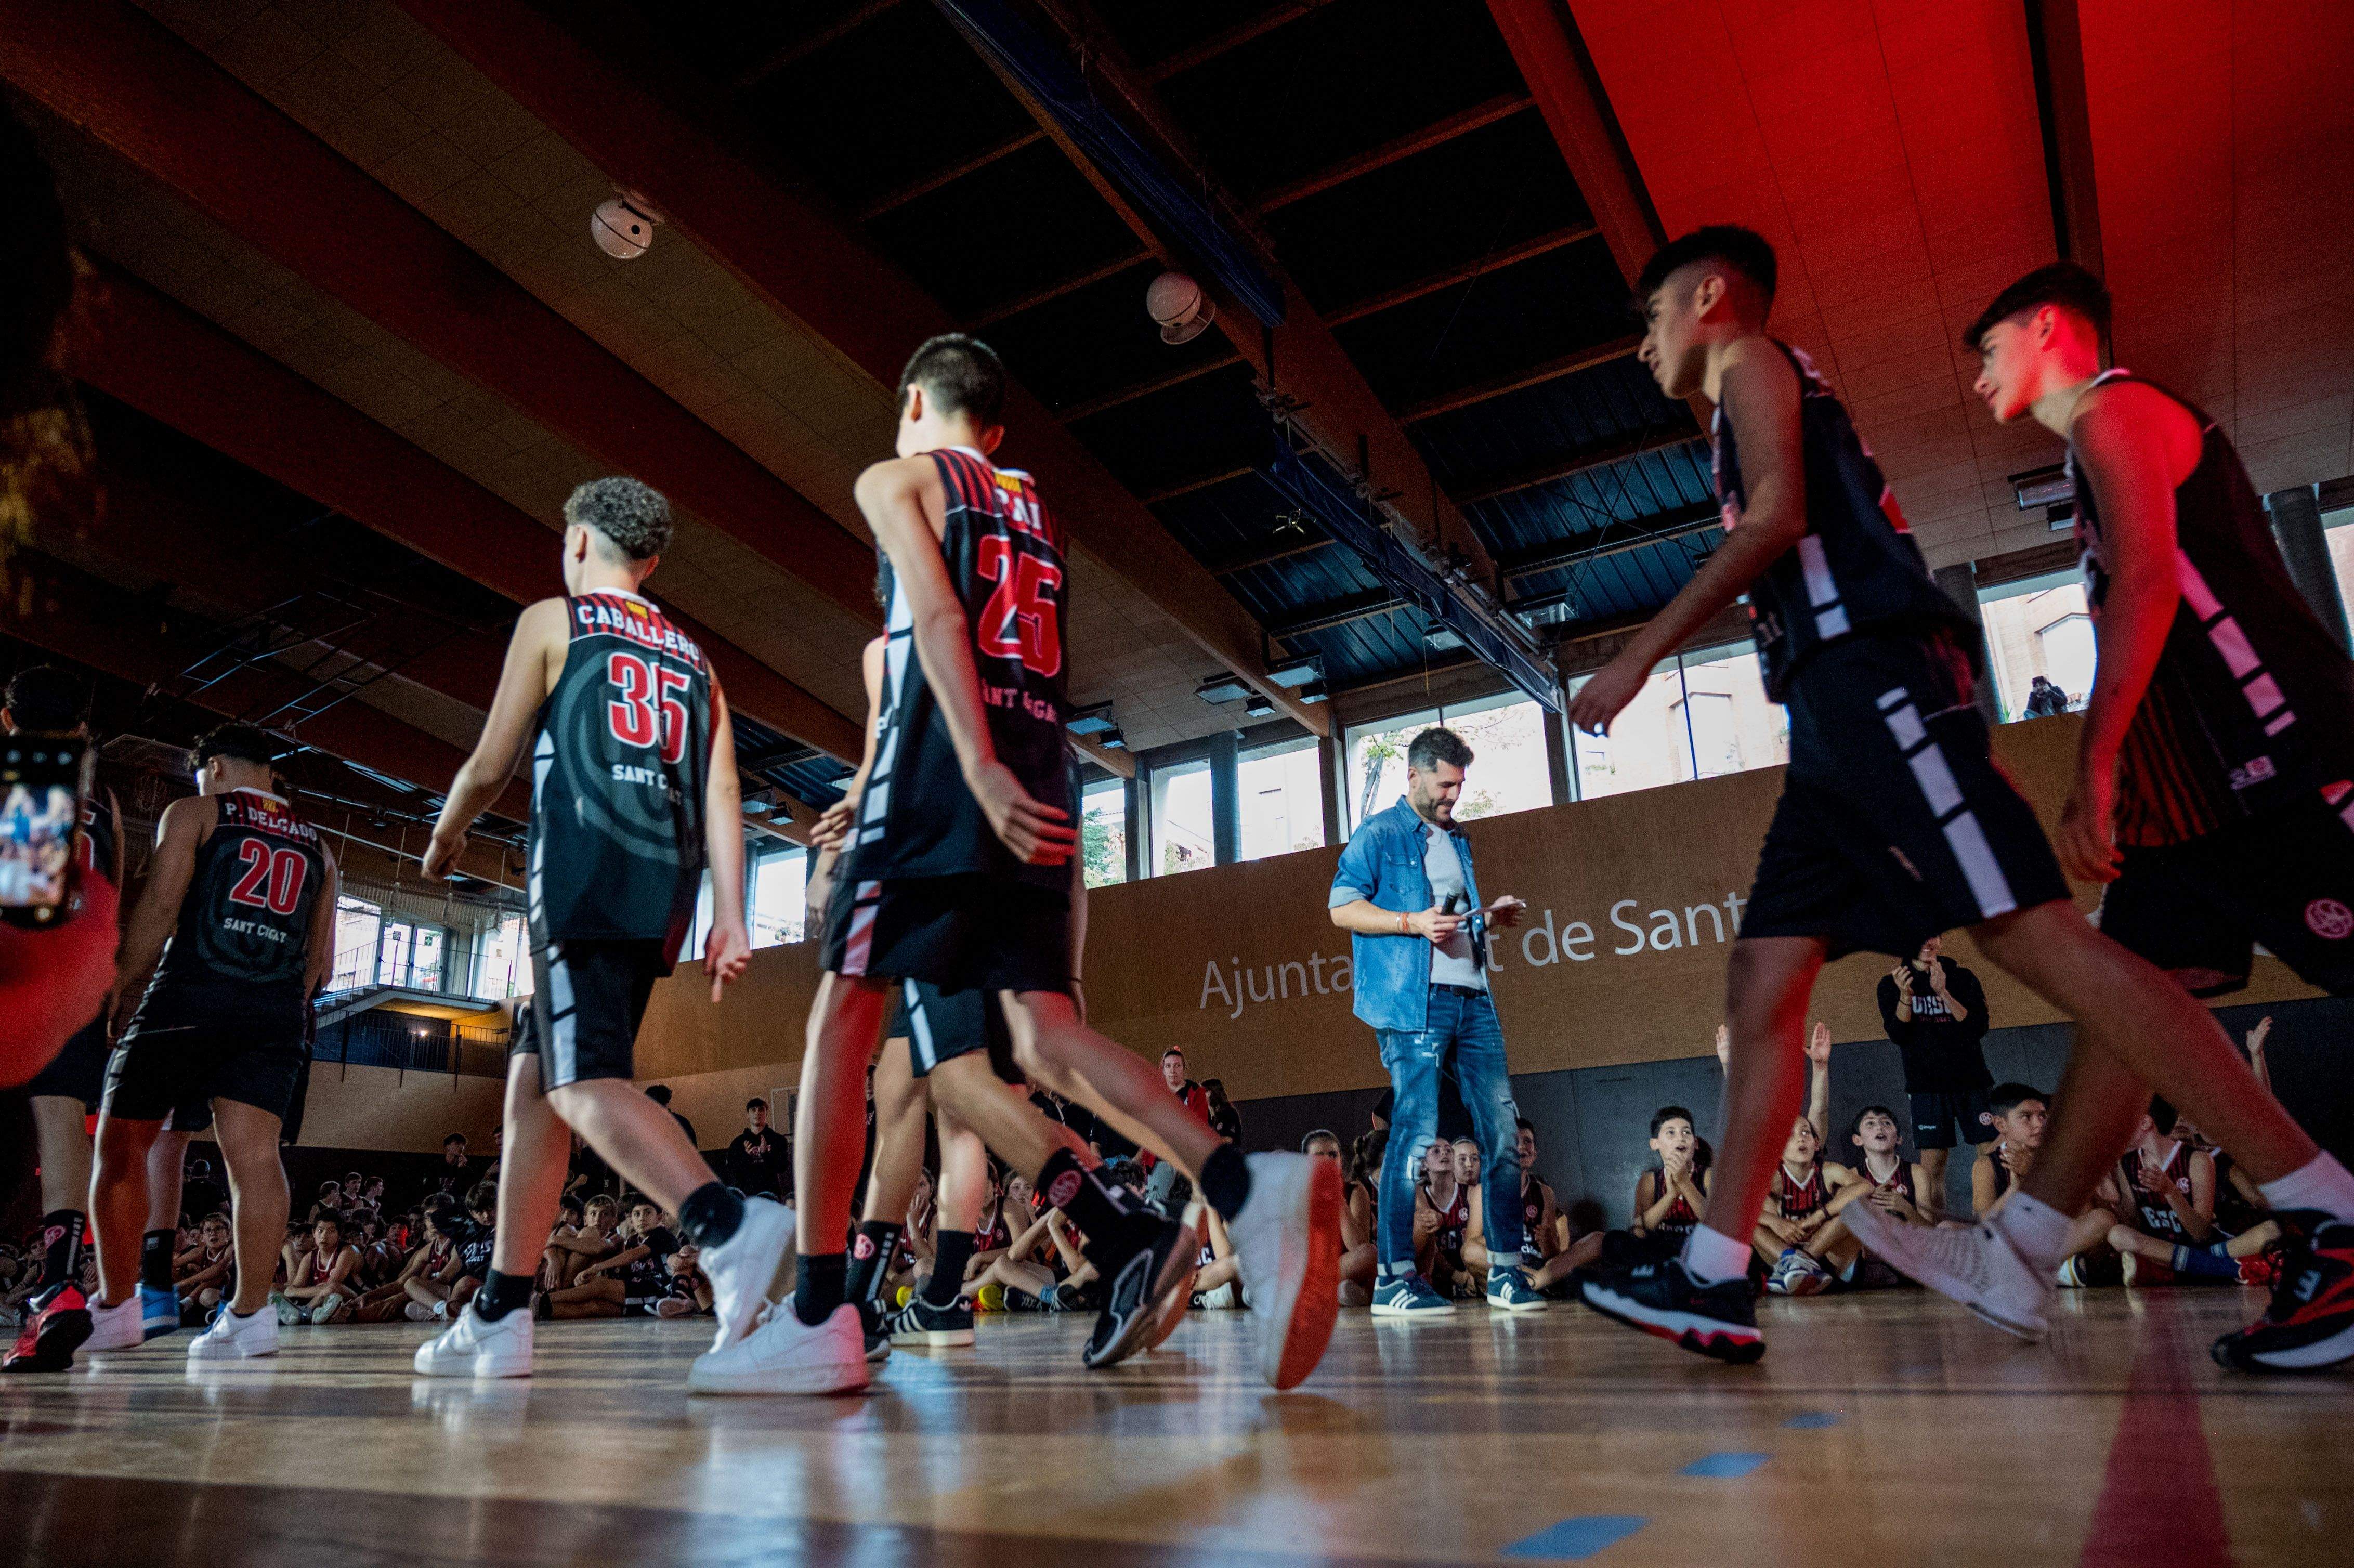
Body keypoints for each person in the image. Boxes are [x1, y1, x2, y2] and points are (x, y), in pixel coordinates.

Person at [1564, 227, 2312, 1365]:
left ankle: (2318, 1195)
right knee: (1760, 976)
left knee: (2036, 936)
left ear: (1708, 296)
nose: (1643, 343)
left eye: (1651, 313)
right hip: (1826, 719)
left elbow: (1776, 520)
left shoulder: (1753, 364)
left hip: (1875, 683)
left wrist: (1638, 656)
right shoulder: (1738, 391)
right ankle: (1712, 1273)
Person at [704, 336, 1335, 1396]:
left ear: (913, 404)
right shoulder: (1036, 508)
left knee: (841, 1030)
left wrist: (974, 774)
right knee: (1043, 1033)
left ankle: (819, 1310)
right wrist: (1005, 774)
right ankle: (1240, 1178)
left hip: (948, 783)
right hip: (1044, 777)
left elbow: (942, 619)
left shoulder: (897, 475)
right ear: (996, 429)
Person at [1850, 260, 2354, 1373]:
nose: (1976, 374)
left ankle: (2335, 1226)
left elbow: (2145, 583)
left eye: (1985, 349)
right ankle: (2019, 1249)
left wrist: (2094, 760)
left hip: (2280, 758)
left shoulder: (2120, 407)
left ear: (2044, 329)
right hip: (2194, 803)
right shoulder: (2089, 443)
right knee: (2130, 1006)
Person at [411, 475, 788, 1383]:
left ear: (579, 542)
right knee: (535, 1091)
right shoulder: (695, 658)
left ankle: (725, 1224)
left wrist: (446, 835)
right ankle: (502, 1307)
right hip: (662, 882)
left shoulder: (556, 619)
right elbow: (723, 789)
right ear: (650, 563)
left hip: (580, 873)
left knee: (583, 1085)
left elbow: (491, 757)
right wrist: (731, 911)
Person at [76, 725, 336, 1364]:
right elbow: (321, 966)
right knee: (254, 1159)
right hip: (274, 1009)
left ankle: (116, 1308)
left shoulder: (195, 811)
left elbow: (163, 906)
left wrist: (121, 985)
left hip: (189, 994)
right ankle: (250, 1317)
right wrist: (279, 1004)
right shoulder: (322, 849)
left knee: (121, 1144)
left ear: (214, 766)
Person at [1328, 725, 1542, 1317]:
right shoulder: (1378, 833)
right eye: (1445, 785)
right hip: (1412, 999)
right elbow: (1340, 906)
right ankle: (1394, 1279)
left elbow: (1451, 916)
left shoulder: (1459, 840)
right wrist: (1409, 923)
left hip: (1474, 997)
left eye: (1460, 785)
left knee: (1501, 1131)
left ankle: (1504, 1273)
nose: (1454, 796)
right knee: (1415, 1135)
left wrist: (1487, 920)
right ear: (1414, 776)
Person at [3, 668, 126, 1372]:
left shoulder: (28, 775)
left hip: (28, 968)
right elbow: (114, 893)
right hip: (83, 977)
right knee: (60, 1125)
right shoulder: (99, 799)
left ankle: (53, 1292)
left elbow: (25, 891)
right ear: (82, 728)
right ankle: (58, 1286)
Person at [1876, 937, 1993, 1208]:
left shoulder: (1962, 977)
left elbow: (1978, 1027)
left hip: (1972, 1081)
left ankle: (1991, 1230)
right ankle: (1934, 1232)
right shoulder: (1890, 983)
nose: (1928, 941)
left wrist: (1944, 993)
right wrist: (1906, 996)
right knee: (1932, 1167)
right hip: (1926, 1087)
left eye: (1934, 935)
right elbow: (1898, 1034)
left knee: (1989, 1157)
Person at [272, 1211, 357, 1325]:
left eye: (331, 1231)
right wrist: (291, 1291)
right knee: (275, 1288)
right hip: (319, 1300)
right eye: (320, 1231)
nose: (324, 1236)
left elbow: (329, 1287)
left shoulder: (348, 1251)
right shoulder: (309, 1258)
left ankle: (304, 1313)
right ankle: (293, 1312)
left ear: (339, 1234)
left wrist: (294, 1292)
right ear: (314, 1233)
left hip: (353, 1299)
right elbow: (294, 1287)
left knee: (333, 1288)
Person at [721, 1099, 788, 1200]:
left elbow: (782, 1167)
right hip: (746, 1195)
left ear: (766, 1114)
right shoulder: (738, 1142)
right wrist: (746, 1156)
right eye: (753, 1110)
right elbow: (732, 1170)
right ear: (748, 1114)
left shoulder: (777, 1139)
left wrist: (766, 1154)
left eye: (761, 1109)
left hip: (771, 1194)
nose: (757, 1113)